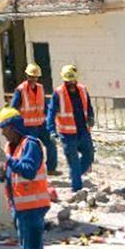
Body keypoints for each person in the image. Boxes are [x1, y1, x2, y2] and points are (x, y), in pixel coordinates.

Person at [0, 107, 51, 249]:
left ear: (13, 127)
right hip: (19, 206)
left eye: (4, 128)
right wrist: (1, 174)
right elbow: (12, 174)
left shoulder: (30, 144)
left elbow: (29, 171)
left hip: (33, 207)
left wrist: (7, 160)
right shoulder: (10, 147)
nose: (2, 133)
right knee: (27, 248)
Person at [47, 64, 95, 192]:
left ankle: (75, 175)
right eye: (68, 82)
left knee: (89, 156)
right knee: (73, 162)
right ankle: (77, 189)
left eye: (73, 81)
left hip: (83, 131)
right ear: (64, 81)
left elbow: (89, 107)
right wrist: (52, 130)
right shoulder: (58, 93)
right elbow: (51, 112)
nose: (71, 84)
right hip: (67, 134)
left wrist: (91, 117)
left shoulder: (83, 90)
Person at [10, 64, 59, 175]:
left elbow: (44, 106)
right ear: (27, 76)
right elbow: (13, 108)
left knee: (51, 144)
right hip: (27, 126)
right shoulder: (21, 90)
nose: (33, 79)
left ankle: (51, 169)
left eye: (35, 77)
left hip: (41, 124)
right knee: (33, 149)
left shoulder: (40, 88)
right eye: (31, 76)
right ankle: (32, 170)